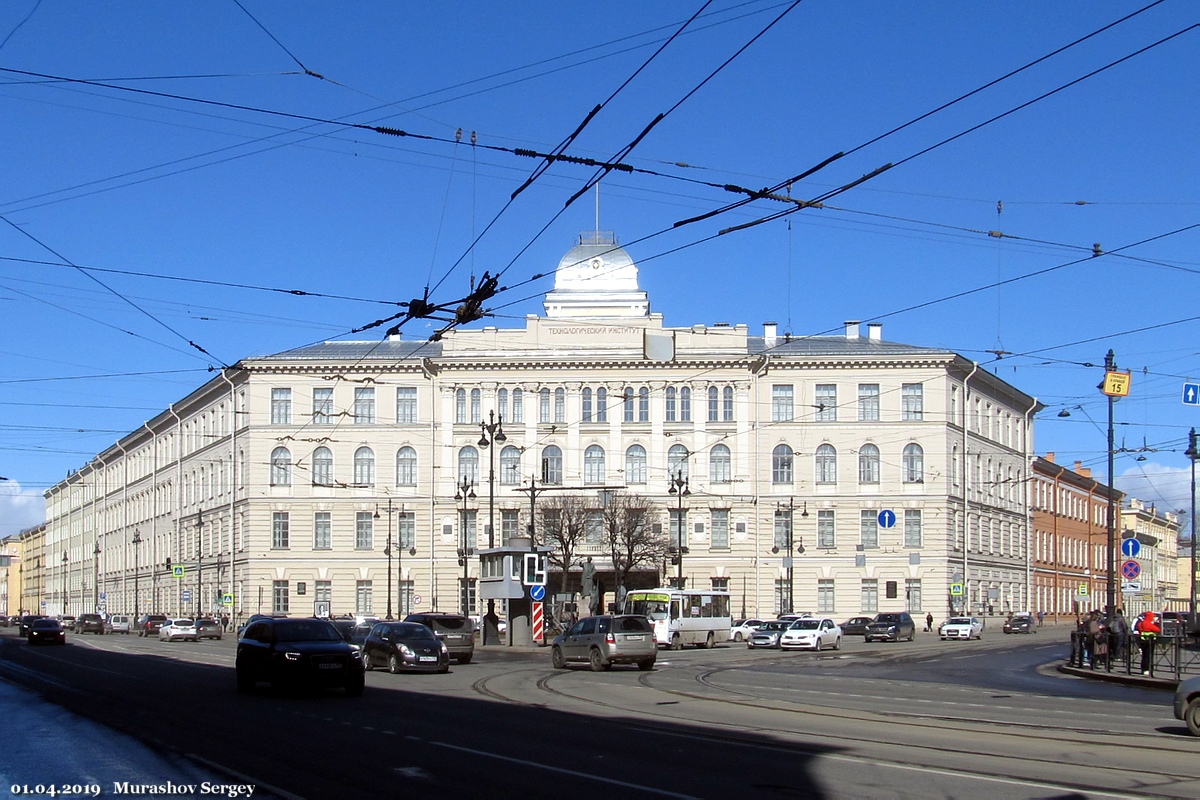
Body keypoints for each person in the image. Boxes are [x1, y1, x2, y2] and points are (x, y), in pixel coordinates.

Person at [1134, 610, 1161, 675]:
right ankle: (1148, 669)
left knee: (1144, 655)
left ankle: (1143, 669)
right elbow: (1157, 630)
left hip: (1142, 640)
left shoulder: (1141, 623)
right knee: (1149, 656)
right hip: (1150, 640)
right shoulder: (1149, 624)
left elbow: (1139, 629)